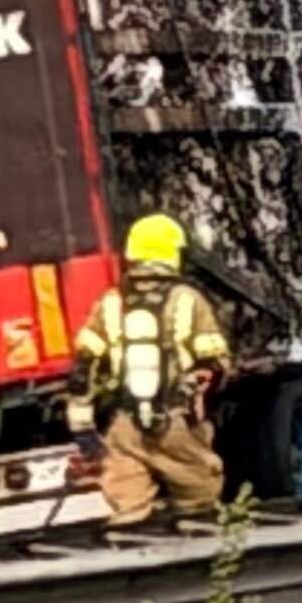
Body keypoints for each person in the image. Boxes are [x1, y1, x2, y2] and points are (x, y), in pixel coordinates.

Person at [75, 212, 230, 530]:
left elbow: (84, 366)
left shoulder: (110, 302)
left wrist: (84, 427)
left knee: (128, 511)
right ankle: (204, 567)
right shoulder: (188, 300)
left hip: (125, 426)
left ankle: (137, 569)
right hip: (176, 421)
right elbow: (214, 363)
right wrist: (196, 414)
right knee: (199, 500)